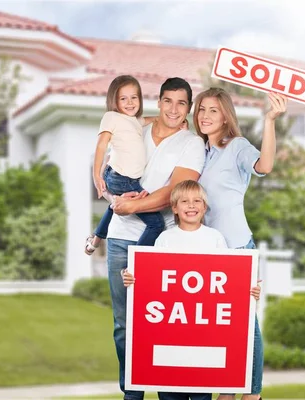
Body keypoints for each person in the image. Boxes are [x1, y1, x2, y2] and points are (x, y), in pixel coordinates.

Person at [105, 77, 205, 400]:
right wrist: (115, 200)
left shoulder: (192, 144)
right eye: (168, 101)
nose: (173, 109)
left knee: (159, 324)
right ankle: (131, 395)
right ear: (158, 102)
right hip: (120, 238)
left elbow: (173, 192)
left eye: (181, 103)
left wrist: (131, 205)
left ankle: (167, 391)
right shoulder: (137, 131)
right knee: (123, 325)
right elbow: (113, 171)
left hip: (160, 241)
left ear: (188, 109)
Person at [121, 180, 262, 400]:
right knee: (169, 392)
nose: (191, 205)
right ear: (174, 208)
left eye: (197, 201)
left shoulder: (215, 238)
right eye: (184, 201)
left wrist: (248, 292)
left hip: (204, 340)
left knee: (201, 393)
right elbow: (151, 279)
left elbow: (227, 281)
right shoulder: (165, 239)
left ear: (205, 207)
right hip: (170, 337)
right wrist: (132, 278)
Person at [194, 87, 287, 400]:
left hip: (236, 248)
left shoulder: (236, 146)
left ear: (225, 117)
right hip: (208, 252)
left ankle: (251, 393)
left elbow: (264, 166)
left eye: (214, 110)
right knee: (220, 325)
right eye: (202, 109)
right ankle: (228, 390)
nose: (205, 116)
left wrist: (270, 120)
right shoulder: (200, 152)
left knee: (246, 324)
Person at [85, 75, 165, 256]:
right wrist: (96, 175)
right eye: (123, 98)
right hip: (122, 178)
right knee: (156, 223)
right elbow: (101, 145)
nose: (130, 103)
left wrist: (166, 119)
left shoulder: (135, 121)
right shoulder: (111, 117)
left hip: (123, 177)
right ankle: (135, 265)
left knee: (115, 206)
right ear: (115, 101)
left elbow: (148, 120)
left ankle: (94, 240)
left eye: (134, 97)